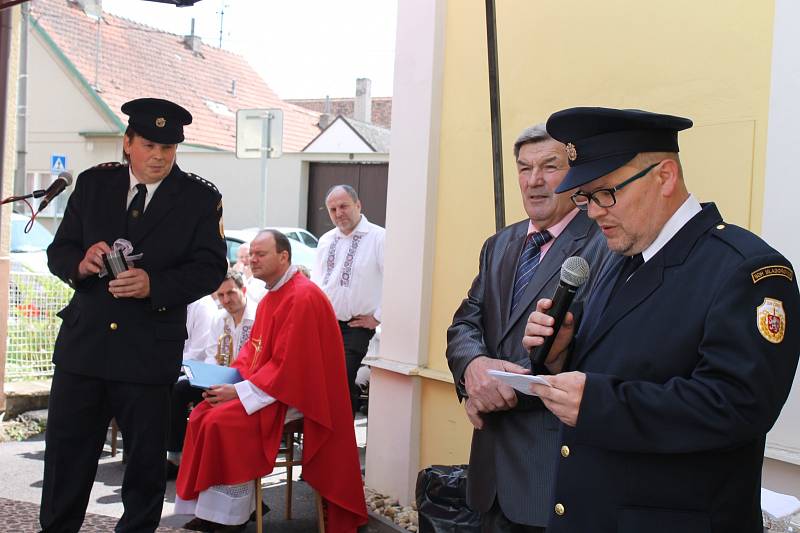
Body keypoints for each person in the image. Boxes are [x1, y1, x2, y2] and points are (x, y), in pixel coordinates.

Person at [522, 107, 800, 533]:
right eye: (585, 197)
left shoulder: (747, 270)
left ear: (665, 176)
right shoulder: (621, 260)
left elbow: (738, 406)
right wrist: (560, 356)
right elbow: (617, 365)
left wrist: (598, 404)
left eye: (605, 193)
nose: (594, 212)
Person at [41, 97, 228, 533]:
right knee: (65, 465)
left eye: (168, 147)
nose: (159, 155)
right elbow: (59, 251)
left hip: (147, 355)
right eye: (148, 144)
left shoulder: (200, 198)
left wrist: (154, 286)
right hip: (84, 350)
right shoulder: (93, 184)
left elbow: (209, 268)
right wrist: (80, 263)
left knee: (144, 474)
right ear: (127, 143)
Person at [446, 124, 610, 532]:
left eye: (549, 167)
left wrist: (495, 389)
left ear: (576, 175)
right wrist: (474, 370)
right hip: (490, 472)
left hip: (549, 472)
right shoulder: (500, 244)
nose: (534, 181)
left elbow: (593, 347)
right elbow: (465, 322)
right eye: (523, 168)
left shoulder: (603, 244)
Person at [175, 229, 368, 533]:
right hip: (272, 388)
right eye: (251, 254)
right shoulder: (271, 297)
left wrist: (238, 392)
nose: (252, 259)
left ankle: (231, 516)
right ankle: (217, 510)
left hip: (299, 397)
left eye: (260, 254)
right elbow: (253, 354)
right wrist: (224, 380)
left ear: (284, 256)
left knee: (222, 423)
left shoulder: (302, 297)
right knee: (201, 414)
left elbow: (291, 369)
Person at [166, 269, 257, 480]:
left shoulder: (258, 317)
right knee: (178, 388)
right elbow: (210, 355)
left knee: (207, 412)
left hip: (245, 385)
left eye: (231, 293)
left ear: (243, 290)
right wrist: (209, 380)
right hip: (218, 379)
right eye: (222, 295)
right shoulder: (220, 318)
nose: (226, 299)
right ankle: (175, 456)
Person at [311, 184, 385, 415]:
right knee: (321, 383)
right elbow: (316, 282)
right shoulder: (325, 240)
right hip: (327, 325)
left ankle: (342, 440)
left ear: (358, 205)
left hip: (357, 327)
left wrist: (377, 317)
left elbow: (396, 280)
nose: (339, 213)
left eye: (343, 206)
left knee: (341, 382)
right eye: (333, 209)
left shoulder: (379, 237)